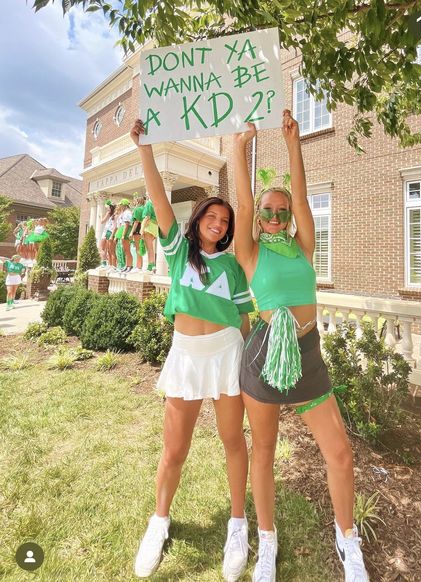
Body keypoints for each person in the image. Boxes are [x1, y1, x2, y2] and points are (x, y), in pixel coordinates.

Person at [233, 110, 369, 582]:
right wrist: (239, 147)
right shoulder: (250, 253)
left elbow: (305, 198)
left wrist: (293, 141)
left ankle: (347, 538)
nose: (273, 215)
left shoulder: (304, 245)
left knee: (340, 452)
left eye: (281, 210)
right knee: (264, 452)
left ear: (289, 218)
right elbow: (244, 209)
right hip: (264, 355)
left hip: (307, 353)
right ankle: (266, 541)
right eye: (267, 209)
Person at [130, 119, 255, 581]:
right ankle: (158, 521)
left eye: (224, 222)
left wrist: (241, 145)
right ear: (198, 218)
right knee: (174, 448)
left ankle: (237, 524)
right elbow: (159, 198)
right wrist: (146, 148)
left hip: (226, 354)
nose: (218, 225)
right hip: (185, 355)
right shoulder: (179, 251)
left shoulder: (235, 267)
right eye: (212, 217)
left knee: (231, 441)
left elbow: (243, 317)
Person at [114, 199, 133, 272]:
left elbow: (127, 224)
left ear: (124, 205)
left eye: (121, 205)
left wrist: (123, 235)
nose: (120, 206)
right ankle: (127, 265)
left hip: (125, 232)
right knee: (126, 250)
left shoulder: (127, 212)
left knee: (127, 250)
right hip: (123, 230)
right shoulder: (124, 212)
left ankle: (129, 266)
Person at [129, 194, 147, 271]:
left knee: (138, 248)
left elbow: (136, 222)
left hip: (138, 228)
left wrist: (131, 232)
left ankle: (138, 266)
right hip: (145, 228)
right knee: (142, 247)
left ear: (138, 201)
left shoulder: (138, 209)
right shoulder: (145, 208)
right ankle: (140, 266)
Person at [99, 200, 115, 267]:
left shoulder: (109, 213)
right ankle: (108, 263)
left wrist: (100, 216)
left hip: (107, 231)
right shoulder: (114, 213)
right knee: (108, 249)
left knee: (102, 248)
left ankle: (104, 262)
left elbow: (102, 221)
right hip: (111, 231)